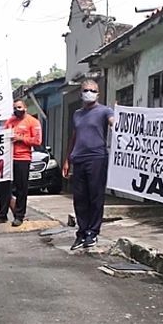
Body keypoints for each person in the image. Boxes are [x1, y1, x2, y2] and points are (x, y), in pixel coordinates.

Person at [62, 79, 115, 250]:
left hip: (97, 158)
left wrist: (120, 115)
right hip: (79, 159)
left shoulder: (105, 111)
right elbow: (74, 136)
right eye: (86, 90)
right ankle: (82, 232)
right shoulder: (77, 114)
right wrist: (67, 159)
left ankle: (93, 232)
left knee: (95, 196)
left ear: (98, 93)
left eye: (92, 90)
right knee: (79, 198)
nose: (89, 92)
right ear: (81, 93)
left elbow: (114, 122)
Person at [0, 99, 42, 227]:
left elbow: (37, 141)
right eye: (15, 108)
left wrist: (21, 139)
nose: (17, 110)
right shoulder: (10, 121)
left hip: (23, 158)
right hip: (8, 158)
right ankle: (2, 215)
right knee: (4, 187)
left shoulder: (33, 122)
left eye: (19, 107)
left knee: (21, 188)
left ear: (25, 108)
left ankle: (19, 216)